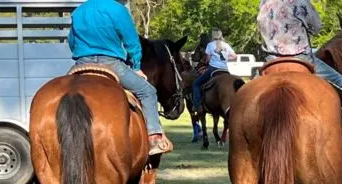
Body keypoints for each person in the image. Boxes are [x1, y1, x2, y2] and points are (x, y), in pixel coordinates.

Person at [257, 0, 342, 152]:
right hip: (302, 59)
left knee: (244, 93)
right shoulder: (300, 2)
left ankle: (231, 116)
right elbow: (316, 28)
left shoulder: (264, 3)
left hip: (271, 61)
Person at [68, 0, 171, 155]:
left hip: (81, 63)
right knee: (147, 92)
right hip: (111, 64)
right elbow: (132, 41)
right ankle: (154, 138)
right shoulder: (118, 9)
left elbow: (71, 42)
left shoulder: (79, 11)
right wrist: (136, 67)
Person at [191, 29, 237, 115]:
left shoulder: (210, 45)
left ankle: (197, 105)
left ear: (213, 36)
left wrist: (210, 60)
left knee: (196, 84)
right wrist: (227, 58)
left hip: (213, 69)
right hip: (225, 70)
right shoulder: (226, 45)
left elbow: (207, 60)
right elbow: (235, 57)